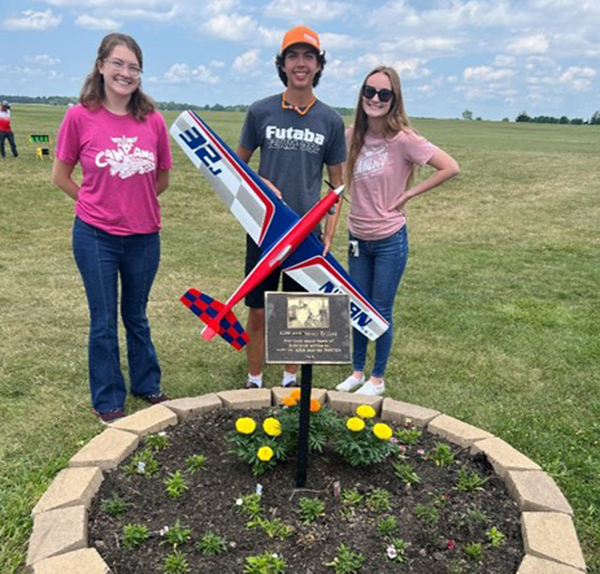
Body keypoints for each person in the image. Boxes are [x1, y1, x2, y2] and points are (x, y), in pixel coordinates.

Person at [52, 33, 172, 423]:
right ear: (101, 66)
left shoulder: (152, 120)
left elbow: (162, 178)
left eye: (133, 67)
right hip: (95, 237)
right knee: (103, 318)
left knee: (136, 314)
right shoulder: (79, 116)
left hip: (143, 237)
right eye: (118, 63)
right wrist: (95, 204)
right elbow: (61, 175)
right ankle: (108, 398)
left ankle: (146, 382)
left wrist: (132, 203)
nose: (126, 73)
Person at [336, 66, 460, 396]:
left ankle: (377, 378)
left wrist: (408, 194)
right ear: (361, 94)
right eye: (369, 91)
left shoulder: (404, 139)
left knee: (380, 308)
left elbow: (450, 166)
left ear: (394, 100)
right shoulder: (351, 137)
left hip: (390, 238)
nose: (375, 99)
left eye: (384, 94)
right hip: (356, 237)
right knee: (358, 306)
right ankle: (357, 371)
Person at [236, 25, 346, 389]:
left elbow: (337, 186)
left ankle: (289, 380)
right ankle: (253, 380)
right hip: (264, 229)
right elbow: (238, 168)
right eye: (293, 57)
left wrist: (328, 236)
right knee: (258, 308)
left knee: (301, 314)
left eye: (308, 57)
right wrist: (260, 183)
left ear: (318, 66)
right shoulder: (260, 111)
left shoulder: (329, 120)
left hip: (305, 235)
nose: (301, 64)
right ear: (282, 64)